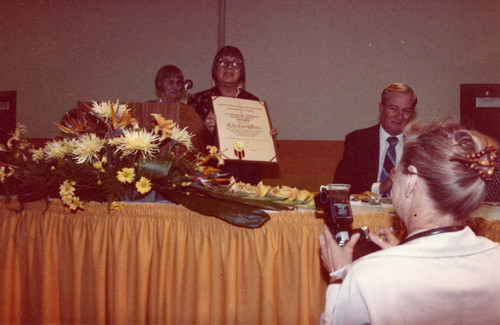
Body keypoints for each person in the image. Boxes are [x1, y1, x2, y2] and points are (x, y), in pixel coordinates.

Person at [319, 120, 500, 324]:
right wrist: (402, 255)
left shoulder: (367, 275)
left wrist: (339, 277)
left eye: (398, 172)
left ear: (411, 181)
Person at [189, 46, 277, 185]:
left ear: (242, 72)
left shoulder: (253, 102)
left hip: (246, 177)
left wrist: (268, 139)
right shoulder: (198, 100)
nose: (229, 67)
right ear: (214, 69)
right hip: (209, 175)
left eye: (236, 63)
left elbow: (262, 147)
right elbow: (187, 144)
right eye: (223, 62)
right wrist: (204, 130)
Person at [333, 83, 417, 195]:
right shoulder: (358, 140)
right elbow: (341, 185)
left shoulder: (419, 144)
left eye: (406, 111)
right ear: (381, 108)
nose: (399, 116)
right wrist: (380, 187)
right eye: (393, 109)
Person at [139, 65, 209, 152]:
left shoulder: (186, 110)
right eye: (171, 82)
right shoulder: (149, 107)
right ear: (160, 84)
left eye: (179, 83)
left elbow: (195, 137)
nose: (175, 87)